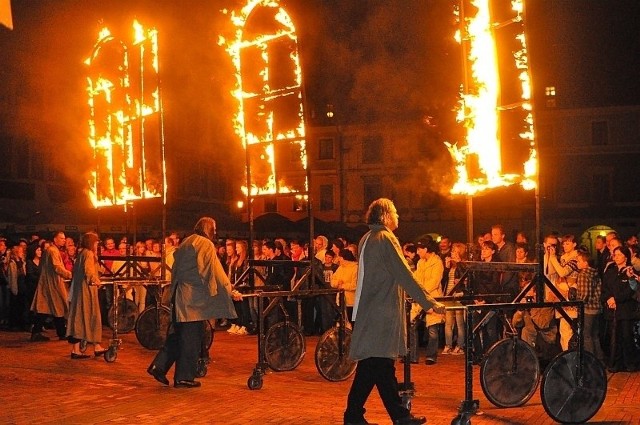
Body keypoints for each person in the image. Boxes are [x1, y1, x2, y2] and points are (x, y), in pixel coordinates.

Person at [344, 198, 445, 425]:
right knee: (379, 364)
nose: (398, 216)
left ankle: (358, 415)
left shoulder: (367, 238)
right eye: (396, 212)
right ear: (386, 215)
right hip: (382, 312)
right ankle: (396, 416)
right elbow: (404, 275)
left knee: (373, 366)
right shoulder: (386, 239)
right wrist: (429, 302)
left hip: (370, 309)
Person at [147, 217, 242, 388]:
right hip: (193, 300)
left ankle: (159, 366)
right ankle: (184, 377)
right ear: (209, 229)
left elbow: (176, 269)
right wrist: (229, 290)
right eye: (214, 229)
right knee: (191, 338)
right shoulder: (205, 244)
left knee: (178, 335)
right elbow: (213, 270)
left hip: (180, 294)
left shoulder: (186, 242)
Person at [66, 232, 108, 359]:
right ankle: (93, 346)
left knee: (80, 318)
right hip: (87, 291)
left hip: (80, 290)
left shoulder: (82, 253)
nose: (97, 245)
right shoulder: (88, 254)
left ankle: (90, 347)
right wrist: (96, 280)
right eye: (95, 242)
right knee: (90, 316)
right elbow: (89, 271)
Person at [601, 246, 640, 372]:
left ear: (625, 256)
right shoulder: (610, 271)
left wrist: (616, 299)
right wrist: (609, 298)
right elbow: (605, 288)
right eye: (614, 254)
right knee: (614, 338)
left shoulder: (630, 271)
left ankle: (630, 363)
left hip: (626, 310)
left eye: (618, 254)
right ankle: (615, 363)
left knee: (627, 337)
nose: (615, 257)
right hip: (612, 311)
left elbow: (631, 290)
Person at [30, 231, 72, 342]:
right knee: (57, 307)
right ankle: (61, 333)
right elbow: (57, 267)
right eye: (61, 238)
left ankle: (37, 332)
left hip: (49, 282)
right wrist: (69, 274)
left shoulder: (51, 250)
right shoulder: (53, 251)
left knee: (45, 308)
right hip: (53, 283)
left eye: (64, 238)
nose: (64, 240)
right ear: (55, 239)